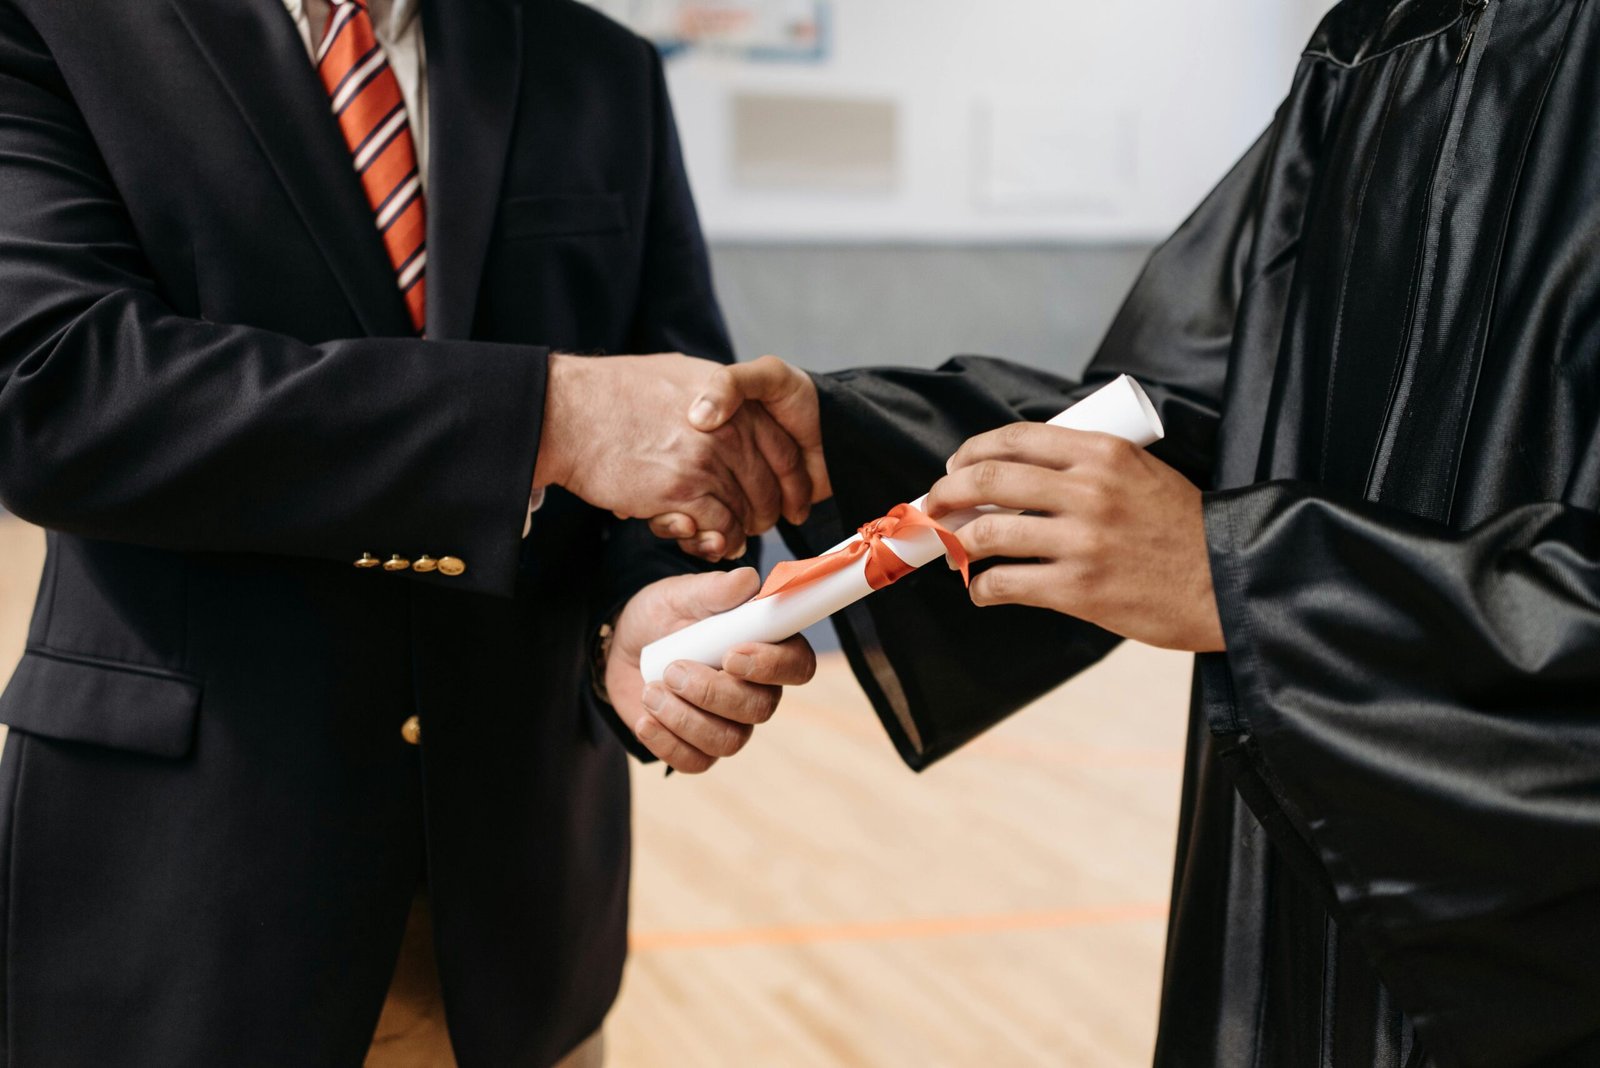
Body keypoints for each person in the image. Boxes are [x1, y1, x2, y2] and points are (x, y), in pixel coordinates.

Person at [679, 1, 1600, 1064]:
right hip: (1309, 835)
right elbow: (1179, 407)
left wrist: (1252, 581)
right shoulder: (1383, 35)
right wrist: (846, 439)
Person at [0, 0, 815, 1065]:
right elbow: (55, 393)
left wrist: (642, 610)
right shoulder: (52, 26)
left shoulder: (597, 63)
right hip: (179, 903)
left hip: (517, 920)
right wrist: (547, 416)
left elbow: (679, 429)